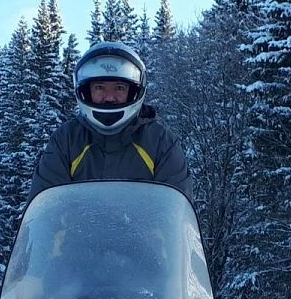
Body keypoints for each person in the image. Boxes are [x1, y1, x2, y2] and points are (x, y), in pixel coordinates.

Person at [28, 41, 193, 201]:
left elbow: (174, 214)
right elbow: (46, 206)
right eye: (99, 87)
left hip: (142, 230)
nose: (109, 97)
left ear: (134, 91)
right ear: (86, 90)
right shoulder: (66, 141)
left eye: (119, 88)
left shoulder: (161, 143)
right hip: (79, 230)